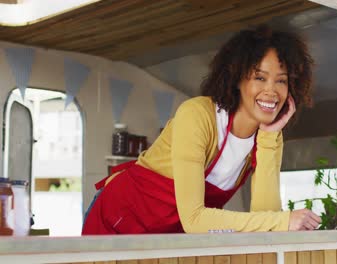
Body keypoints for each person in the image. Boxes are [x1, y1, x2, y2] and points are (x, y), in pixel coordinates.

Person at [82, 25, 321, 234]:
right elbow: (195, 220)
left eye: (281, 80)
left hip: (166, 236)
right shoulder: (197, 115)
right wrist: (281, 221)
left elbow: (267, 222)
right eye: (260, 78)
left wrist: (269, 138)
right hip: (115, 221)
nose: (271, 90)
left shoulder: (268, 136)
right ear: (237, 78)